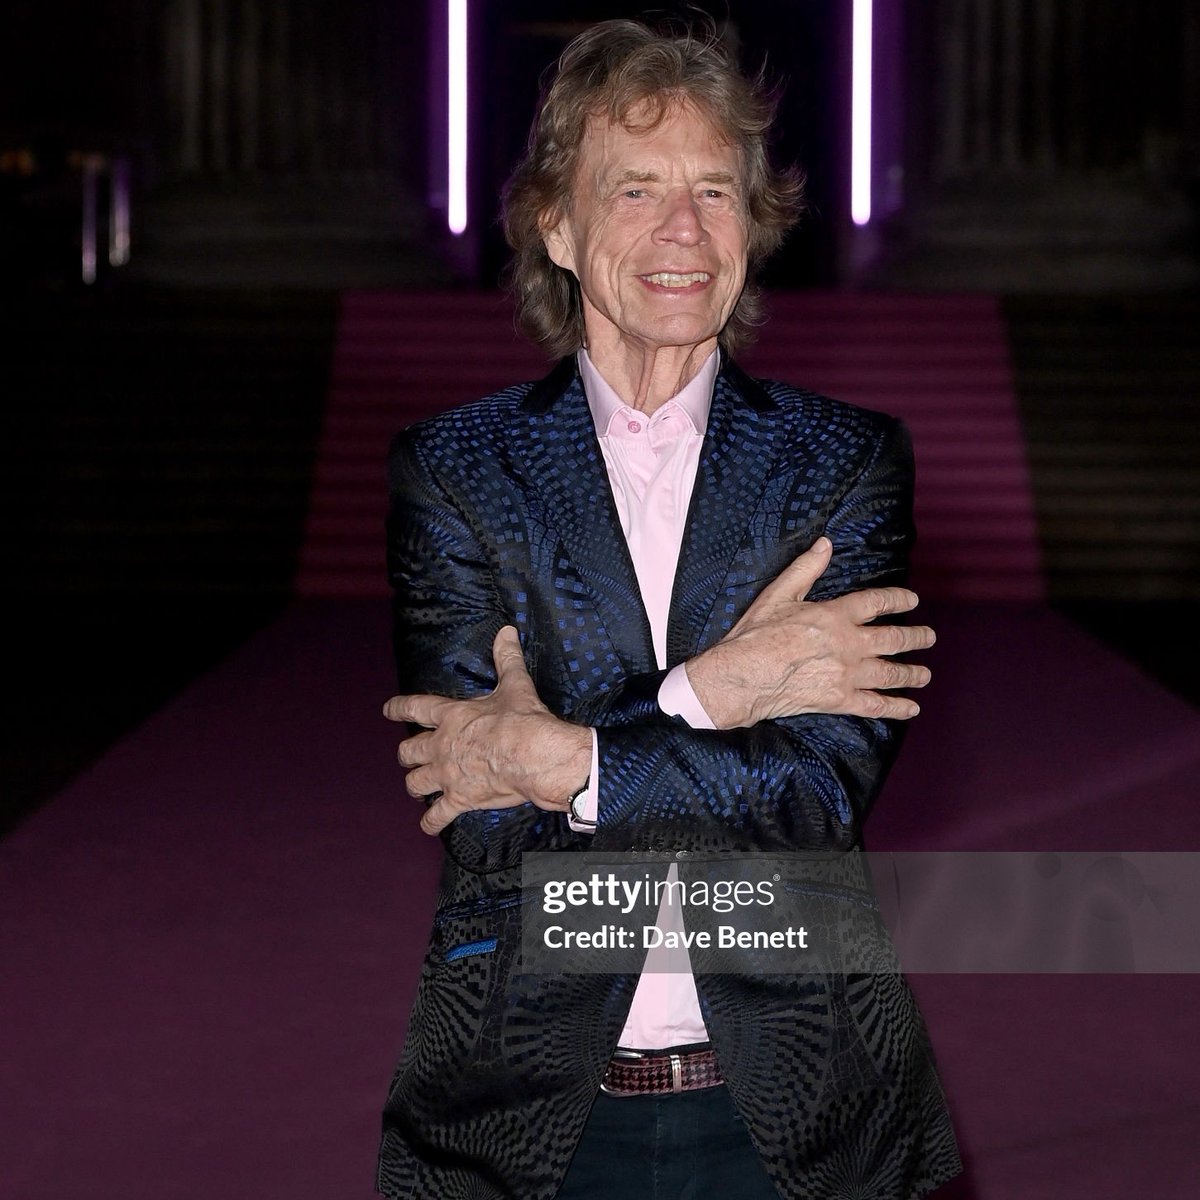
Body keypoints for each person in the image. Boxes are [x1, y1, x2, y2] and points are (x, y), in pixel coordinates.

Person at [376, 19, 960, 1200]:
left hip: (800, 1103)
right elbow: (486, 820)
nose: (683, 230)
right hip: (526, 1105)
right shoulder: (456, 470)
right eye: (634, 189)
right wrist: (716, 691)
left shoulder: (843, 464)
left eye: (713, 190)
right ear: (559, 228)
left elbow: (813, 795)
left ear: (755, 225)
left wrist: (575, 758)